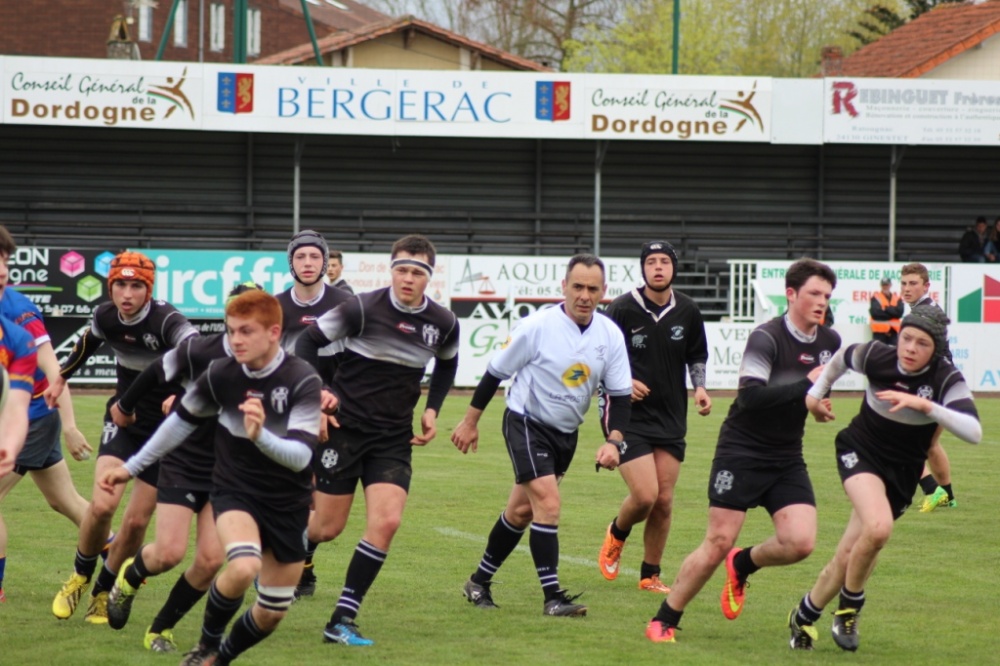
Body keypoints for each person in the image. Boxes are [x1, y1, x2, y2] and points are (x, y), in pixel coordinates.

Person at [100, 289, 322, 666]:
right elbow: (178, 425)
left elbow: (301, 458)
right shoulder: (220, 372)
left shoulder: (302, 379)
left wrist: (260, 436)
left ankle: (219, 658)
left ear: (274, 332)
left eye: (246, 331)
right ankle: (202, 643)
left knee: (272, 611)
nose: (235, 340)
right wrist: (129, 468)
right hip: (234, 489)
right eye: (231, 330)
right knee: (240, 565)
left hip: (288, 501)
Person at [646, 258, 841, 644]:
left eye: (827, 295)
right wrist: (807, 384)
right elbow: (751, 397)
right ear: (791, 294)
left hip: (786, 455)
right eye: (814, 293)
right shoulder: (766, 337)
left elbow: (810, 396)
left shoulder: (829, 343)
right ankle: (664, 619)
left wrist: (817, 406)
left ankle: (743, 562)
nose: (822, 302)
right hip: (741, 451)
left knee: (800, 542)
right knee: (718, 540)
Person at [297, 234, 459, 646]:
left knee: (386, 522)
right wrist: (318, 391)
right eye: (401, 270)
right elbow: (307, 341)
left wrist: (432, 409)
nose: (408, 278)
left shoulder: (442, 322)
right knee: (326, 527)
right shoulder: (361, 308)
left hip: (392, 439)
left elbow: (448, 362)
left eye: (417, 272)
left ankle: (341, 619)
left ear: (429, 276)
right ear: (391, 270)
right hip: (345, 432)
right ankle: (293, 546)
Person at [788, 305, 980, 652]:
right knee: (878, 529)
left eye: (922, 343)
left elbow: (974, 432)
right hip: (859, 451)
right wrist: (815, 396)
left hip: (903, 473)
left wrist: (927, 407)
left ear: (936, 349)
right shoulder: (877, 356)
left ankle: (803, 616)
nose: (910, 348)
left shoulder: (945, 378)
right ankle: (849, 608)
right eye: (906, 338)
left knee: (850, 553)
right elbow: (841, 358)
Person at [454, 254, 633, 617]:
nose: (584, 295)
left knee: (521, 512)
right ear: (563, 286)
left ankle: (478, 582)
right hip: (526, 422)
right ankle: (553, 598)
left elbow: (621, 395)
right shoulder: (537, 326)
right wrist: (470, 422)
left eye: (592, 289)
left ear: (603, 292)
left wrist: (614, 440)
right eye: (577, 286)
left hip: (566, 433)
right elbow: (494, 373)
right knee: (548, 505)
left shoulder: (609, 334)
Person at [104, 283, 263, 651]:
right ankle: (129, 577)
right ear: (227, 316)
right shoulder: (199, 350)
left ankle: (160, 629)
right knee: (168, 553)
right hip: (185, 461)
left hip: (228, 473)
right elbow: (155, 371)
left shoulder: (274, 364)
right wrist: (125, 406)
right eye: (238, 316)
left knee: (210, 560)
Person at [47, 251, 199, 624]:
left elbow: (197, 355)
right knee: (102, 506)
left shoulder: (168, 322)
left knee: (134, 524)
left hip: (165, 432)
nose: (127, 294)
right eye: (119, 284)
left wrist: (181, 396)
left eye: (136, 286)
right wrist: (62, 377)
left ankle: (103, 589)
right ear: (110, 286)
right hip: (123, 420)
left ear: (149, 289)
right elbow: (88, 342)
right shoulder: (105, 316)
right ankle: (80, 576)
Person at [597, 241, 711, 595]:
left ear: (674, 268)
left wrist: (700, 388)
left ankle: (650, 575)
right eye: (651, 262)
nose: (658, 267)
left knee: (663, 501)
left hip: (671, 416)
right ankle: (617, 532)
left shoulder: (688, 310)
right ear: (642, 268)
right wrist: (624, 381)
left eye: (664, 261)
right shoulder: (621, 308)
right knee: (646, 495)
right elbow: (599, 356)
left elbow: (696, 355)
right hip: (628, 416)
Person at [0, 227, 93, 603]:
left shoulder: (18, 310)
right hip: (16, 415)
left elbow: (54, 369)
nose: (1, 269)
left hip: (34, 416)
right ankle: (123, 559)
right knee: (65, 502)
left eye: (5, 260)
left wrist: (70, 425)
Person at [276, 230, 351, 597]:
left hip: (336, 410)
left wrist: (332, 402)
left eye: (315, 257)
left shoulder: (346, 303)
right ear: (291, 263)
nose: (308, 263)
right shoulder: (275, 306)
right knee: (293, 492)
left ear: (326, 263)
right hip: (287, 411)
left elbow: (355, 360)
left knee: (323, 503)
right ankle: (286, 566)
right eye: (301, 256)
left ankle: (303, 561)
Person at [898, 263, 956, 512]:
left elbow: (923, 355)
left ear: (926, 286)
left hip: (931, 385)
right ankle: (948, 496)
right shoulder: (926, 310)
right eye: (904, 283)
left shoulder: (922, 314)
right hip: (942, 384)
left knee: (900, 442)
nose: (906, 288)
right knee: (930, 444)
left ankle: (933, 490)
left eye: (913, 283)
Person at [869, 277, 902, 345]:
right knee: (878, 351)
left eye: (887, 285)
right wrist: (892, 313)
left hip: (893, 332)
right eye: (883, 285)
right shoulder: (875, 298)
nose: (885, 287)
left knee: (893, 351)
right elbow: (875, 313)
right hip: (879, 332)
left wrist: (885, 308)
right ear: (881, 286)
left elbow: (899, 313)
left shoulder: (897, 298)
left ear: (890, 285)